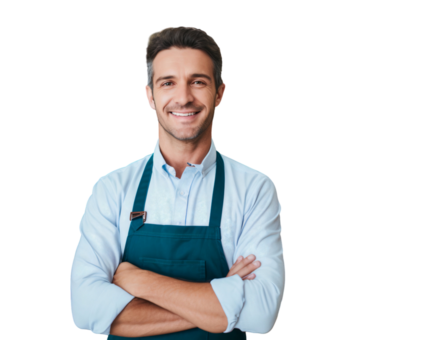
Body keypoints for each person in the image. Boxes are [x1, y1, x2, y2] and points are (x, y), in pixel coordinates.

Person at [70, 25, 284, 338]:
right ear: (150, 96)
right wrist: (222, 296)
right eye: (168, 83)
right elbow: (86, 310)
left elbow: (261, 315)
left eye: (198, 82)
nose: (183, 98)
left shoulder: (254, 188)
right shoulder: (112, 188)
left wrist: (139, 281)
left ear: (220, 93)